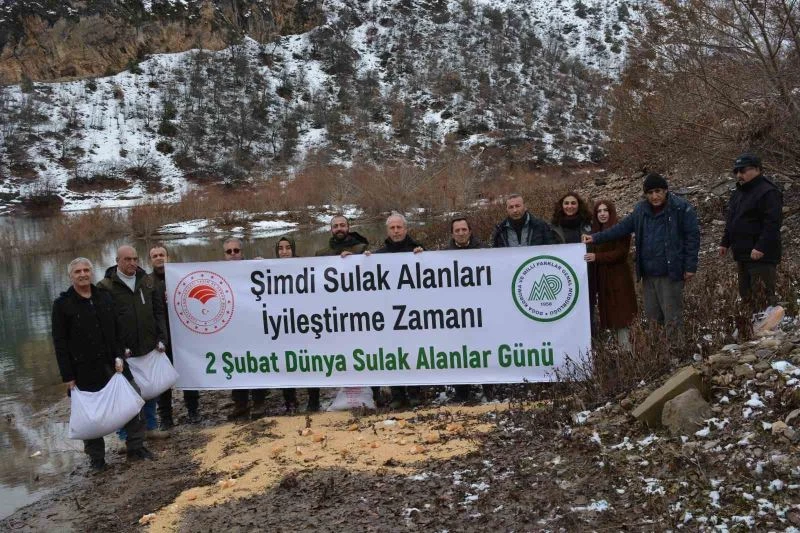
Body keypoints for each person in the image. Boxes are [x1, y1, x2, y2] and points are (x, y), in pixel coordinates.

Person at [53, 257, 153, 469]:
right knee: (91, 415)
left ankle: (136, 447)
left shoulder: (104, 297)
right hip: (83, 369)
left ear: (91, 272)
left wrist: (120, 355)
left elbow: (117, 330)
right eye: (77, 271)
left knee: (133, 401)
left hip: (114, 363)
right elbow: (60, 343)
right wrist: (68, 376)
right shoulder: (62, 305)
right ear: (71, 276)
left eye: (86, 270)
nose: (82, 274)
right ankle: (97, 459)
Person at [583, 173, 700, 340]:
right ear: (645, 194)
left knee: (672, 316)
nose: (654, 196)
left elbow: (692, 237)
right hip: (648, 273)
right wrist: (595, 237)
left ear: (666, 190)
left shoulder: (681, 208)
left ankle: (676, 355)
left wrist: (690, 266)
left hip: (670, 272)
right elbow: (621, 228)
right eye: (650, 192)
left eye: (658, 191)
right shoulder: (640, 210)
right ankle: (658, 355)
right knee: (653, 318)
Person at [99, 245, 170, 441]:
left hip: (148, 345)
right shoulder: (105, 287)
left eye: (135, 259)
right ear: (117, 261)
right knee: (126, 394)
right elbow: (105, 323)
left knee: (150, 390)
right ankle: (124, 435)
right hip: (124, 352)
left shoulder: (147, 281)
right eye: (127, 259)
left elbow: (158, 312)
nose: (132, 263)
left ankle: (151, 427)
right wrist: (116, 350)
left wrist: (162, 338)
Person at [313, 215, 383, 407]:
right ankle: (344, 394)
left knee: (367, 353)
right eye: (335, 226)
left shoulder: (361, 248)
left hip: (360, 312)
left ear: (349, 227)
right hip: (334, 314)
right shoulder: (321, 254)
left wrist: (363, 259)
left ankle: (375, 393)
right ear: (331, 229)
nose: (339, 228)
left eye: (342, 225)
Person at [370, 212, 423, 408]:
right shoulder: (379, 255)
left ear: (406, 229)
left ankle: (415, 392)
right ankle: (398, 394)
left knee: (414, 353)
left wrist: (424, 256)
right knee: (392, 354)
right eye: (392, 228)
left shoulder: (418, 251)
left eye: (399, 227)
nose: (396, 231)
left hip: (414, 314)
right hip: (388, 315)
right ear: (387, 230)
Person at [719, 153, 783, 312]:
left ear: (758, 169)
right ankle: (753, 331)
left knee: (763, 297)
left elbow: (772, 224)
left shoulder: (768, 192)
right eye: (736, 171)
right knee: (746, 296)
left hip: (761, 256)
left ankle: (769, 333)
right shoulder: (739, 192)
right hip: (742, 253)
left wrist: (761, 247)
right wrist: (725, 242)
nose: (739, 175)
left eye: (743, 170)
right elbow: (732, 220)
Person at [149, 243, 201, 426]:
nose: (159, 258)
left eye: (161, 254)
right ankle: (166, 417)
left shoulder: (181, 277)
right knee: (163, 381)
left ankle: (193, 411)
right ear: (150, 260)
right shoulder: (147, 283)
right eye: (155, 256)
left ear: (168, 256)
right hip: (162, 339)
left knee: (188, 375)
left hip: (183, 337)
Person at [445, 217, 494, 403]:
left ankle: (488, 387)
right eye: (457, 230)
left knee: (484, 349)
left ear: (470, 231)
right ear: (452, 233)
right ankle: (462, 390)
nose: (461, 233)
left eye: (464, 229)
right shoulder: (443, 255)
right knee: (459, 351)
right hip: (456, 313)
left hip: (481, 310)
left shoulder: (484, 251)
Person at [222, 237, 269, 420]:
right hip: (232, 329)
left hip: (254, 325)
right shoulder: (217, 272)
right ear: (224, 254)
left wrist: (264, 264)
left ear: (242, 252)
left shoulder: (253, 267)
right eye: (229, 251)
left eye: (236, 250)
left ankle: (259, 403)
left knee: (256, 364)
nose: (233, 254)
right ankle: (240, 404)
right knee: (236, 365)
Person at [275, 235, 322, 413]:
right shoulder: (268, 268)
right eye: (281, 248)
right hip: (283, 325)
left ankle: (314, 400)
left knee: (310, 363)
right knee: (287, 364)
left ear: (293, 249)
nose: (284, 251)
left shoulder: (305, 266)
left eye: (288, 247)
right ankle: (290, 401)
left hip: (305, 324)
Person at [584, 201, 637, 347]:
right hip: (603, 279)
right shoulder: (595, 231)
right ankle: (619, 352)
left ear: (611, 212)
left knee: (621, 315)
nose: (602, 214)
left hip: (618, 278)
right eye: (599, 211)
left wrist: (597, 257)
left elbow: (621, 253)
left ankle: (627, 352)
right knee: (611, 316)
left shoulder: (620, 228)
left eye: (605, 210)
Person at [491, 193, 557, 247]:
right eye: (511, 207)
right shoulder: (500, 230)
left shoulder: (540, 226)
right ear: (507, 210)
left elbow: (551, 249)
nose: (515, 210)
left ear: (525, 207)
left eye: (517, 206)